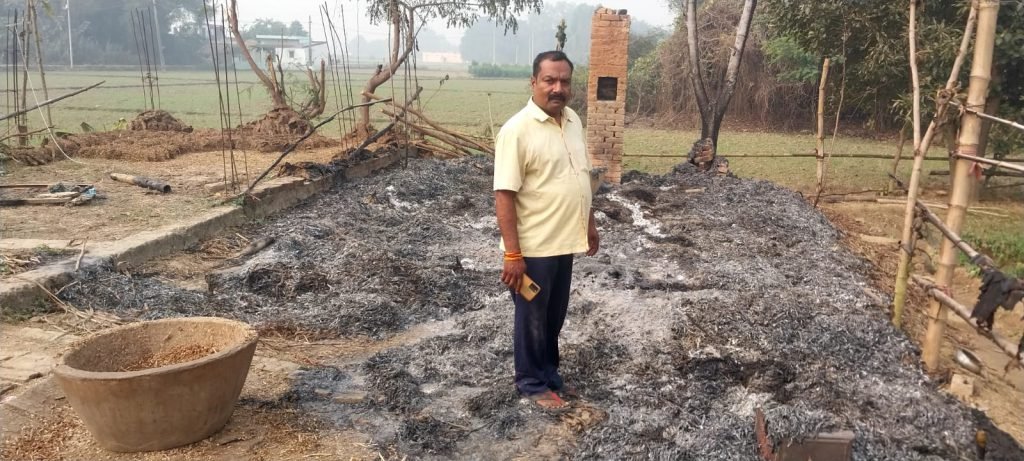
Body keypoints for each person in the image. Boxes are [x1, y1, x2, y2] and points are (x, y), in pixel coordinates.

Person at [493, 50, 599, 411]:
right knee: (532, 318)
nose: (557, 88)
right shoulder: (517, 131)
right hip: (533, 248)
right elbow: (504, 194)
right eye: (549, 80)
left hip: (565, 241)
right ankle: (531, 382)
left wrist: (589, 223)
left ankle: (550, 374)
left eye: (564, 81)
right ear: (534, 82)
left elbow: (581, 176)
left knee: (554, 316)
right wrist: (512, 253)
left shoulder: (573, 121)